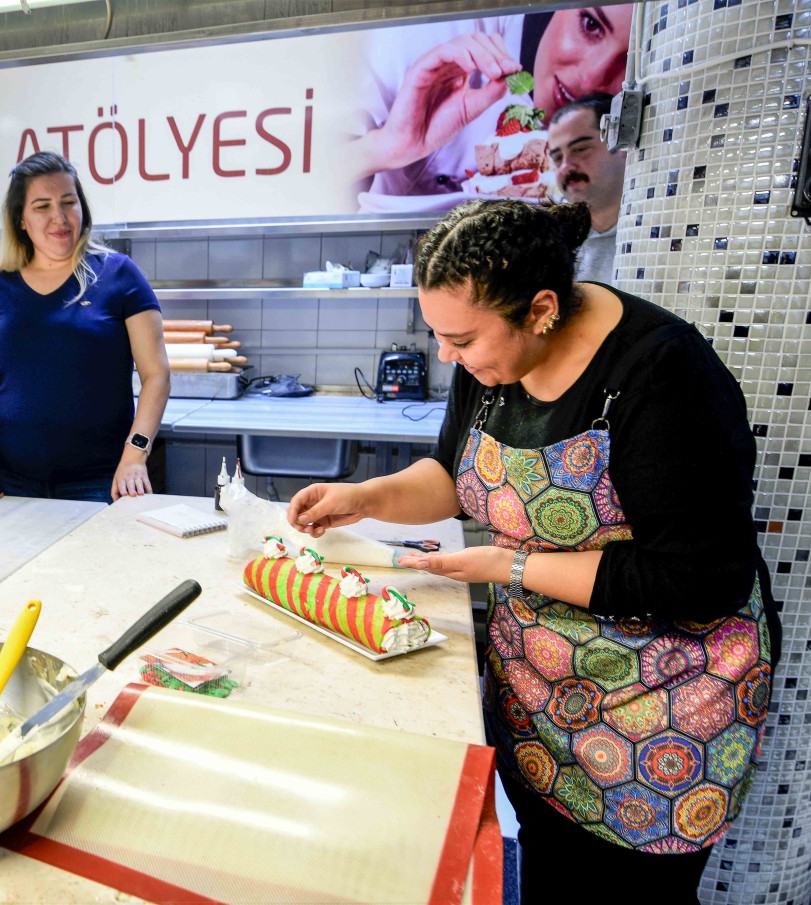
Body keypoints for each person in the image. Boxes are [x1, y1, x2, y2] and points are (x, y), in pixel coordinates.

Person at [287, 201, 779, 904]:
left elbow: (703, 577)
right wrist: (365, 496)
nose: (445, 356)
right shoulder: (492, 360)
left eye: (458, 338)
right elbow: (454, 477)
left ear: (541, 309)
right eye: (437, 335)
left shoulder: (661, 373)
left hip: (664, 710)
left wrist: (510, 566)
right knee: (551, 875)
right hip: (545, 697)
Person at [0, 151, 170, 503]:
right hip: (13, 480)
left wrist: (135, 454)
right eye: (42, 206)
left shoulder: (119, 274)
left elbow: (156, 374)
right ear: (21, 219)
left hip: (102, 480)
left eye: (68, 202)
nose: (59, 218)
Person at [355, 8, 631, 207]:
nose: (592, 78)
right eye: (591, 25)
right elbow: (319, 173)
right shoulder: (431, 30)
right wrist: (389, 146)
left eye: (627, 60)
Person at [548, 92, 627, 283]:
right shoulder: (550, 243)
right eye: (558, 158)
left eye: (580, 149)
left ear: (623, 145)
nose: (566, 167)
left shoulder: (663, 226)